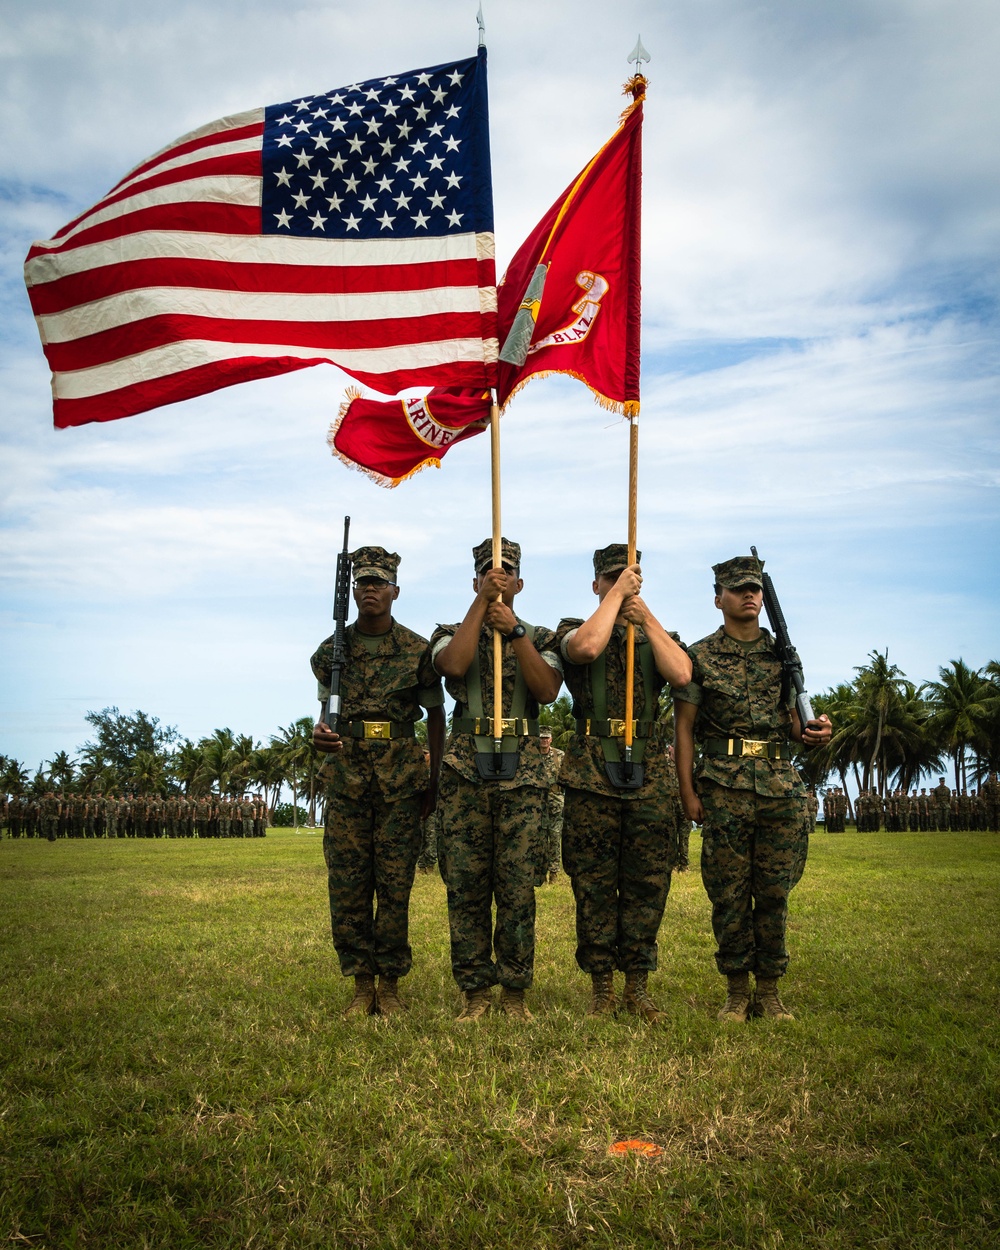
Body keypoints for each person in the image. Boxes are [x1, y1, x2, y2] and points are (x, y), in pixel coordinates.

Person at [673, 555, 832, 1024]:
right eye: (739, 587)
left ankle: (770, 991)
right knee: (729, 893)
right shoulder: (699, 657)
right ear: (718, 596)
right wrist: (688, 793)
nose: (750, 595)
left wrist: (816, 728)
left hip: (780, 790)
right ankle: (737, 992)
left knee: (774, 893)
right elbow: (684, 730)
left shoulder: (783, 657)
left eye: (756, 588)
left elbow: (797, 721)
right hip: (723, 788)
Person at [555, 545, 692, 1021]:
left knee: (646, 885)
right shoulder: (573, 628)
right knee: (593, 884)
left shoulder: (659, 636)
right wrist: (616, 599)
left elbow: (681, 674)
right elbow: (587, 649)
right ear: (595, 584)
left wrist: (643, 614)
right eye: (610, 577)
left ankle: (637, 985)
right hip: (592, 773)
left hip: (650, 774)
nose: (619, 582)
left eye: (628, 576)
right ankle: (602, 989)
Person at [430, 538, 562, 1022]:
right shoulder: (448, 631)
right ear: (476, 579)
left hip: (524, 777)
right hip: (465, 773)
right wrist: (482, 605)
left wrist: (516, 630)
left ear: (521, 583)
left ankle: (513, 993)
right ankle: (475, 993)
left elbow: (547, 690)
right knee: (465, 886)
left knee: (516, 888)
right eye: (488, 573)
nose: (498, 579)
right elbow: (453, 666)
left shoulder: (544, 637)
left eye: (506, 574)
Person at [312, 546, 445, 1018]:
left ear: (395, 591)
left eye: (378, 582)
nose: (370, 589)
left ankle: (388, 986)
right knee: (348, 885)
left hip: (400, 781)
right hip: (347, 780)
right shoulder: (331, 651)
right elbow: (327, 710)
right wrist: (320, 732)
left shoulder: (417, 651)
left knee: (394, 885)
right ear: (352, 590)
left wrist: (433, 778)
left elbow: (435, 715)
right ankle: (360, 985)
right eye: (362, 582)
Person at [538, 727, 565, 884]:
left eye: (547, 738)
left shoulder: (559, 755)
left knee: (554, 838)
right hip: (537, 802)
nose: (544, 740)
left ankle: (553, 874)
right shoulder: (532, 755)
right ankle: (540, 874)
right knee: (539, 838)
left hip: (555, 801)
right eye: (542, 738)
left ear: (551, 739)